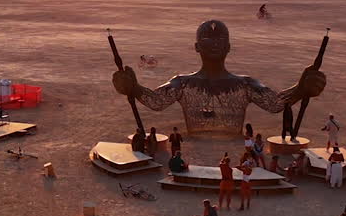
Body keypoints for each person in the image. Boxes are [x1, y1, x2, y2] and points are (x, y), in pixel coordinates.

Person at [111, 19, 326, 135]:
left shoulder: (242, 84)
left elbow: (275, 104)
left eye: (219, 42)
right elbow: (156, 101)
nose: (214, 45)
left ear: (228, 47)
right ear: (197, 47)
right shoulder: (185, 83)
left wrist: (301, 88)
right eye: (209, 42)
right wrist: (133, 87)